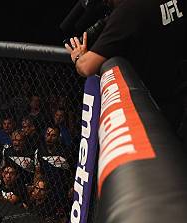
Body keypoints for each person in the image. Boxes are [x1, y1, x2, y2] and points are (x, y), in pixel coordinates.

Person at [65, 0, 186, 133]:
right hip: (177, 95)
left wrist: (78, 56)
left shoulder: (129, 10)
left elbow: (86, 66)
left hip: (150, 108)